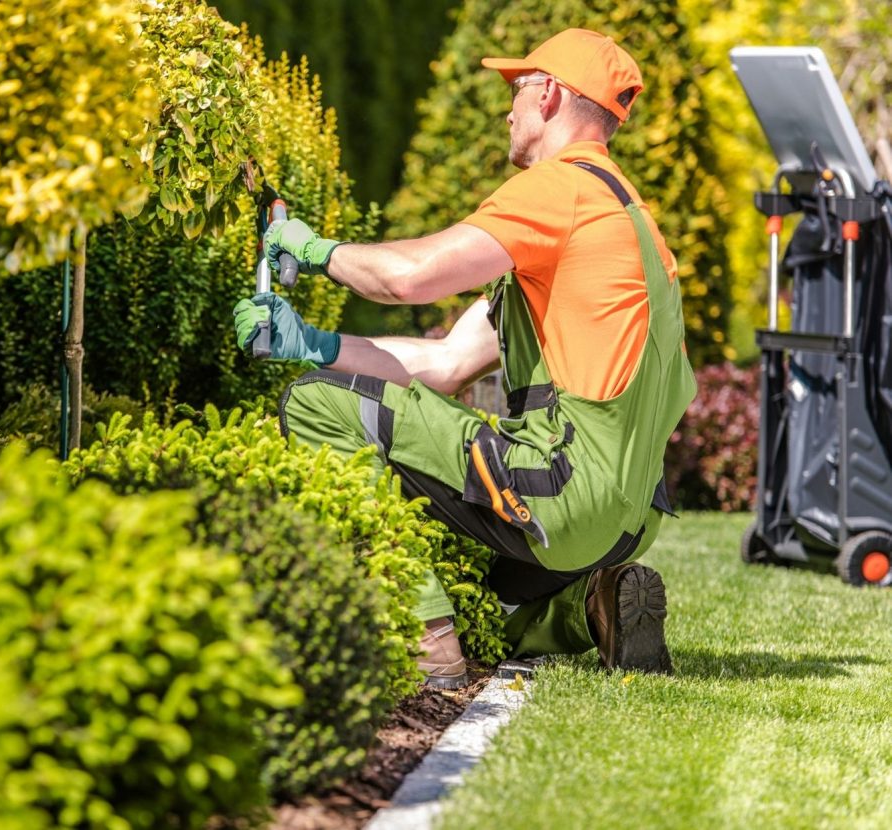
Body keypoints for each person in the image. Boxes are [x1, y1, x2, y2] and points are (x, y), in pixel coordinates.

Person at [233, 28, 696, 688]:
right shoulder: (626, 219)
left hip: (563, 492)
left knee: (312, 405)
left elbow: (409, 279)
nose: (507, 108)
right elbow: (447, 362)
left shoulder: (559, 189)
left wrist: (315, 250)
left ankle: (423, 641)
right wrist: (312, 344)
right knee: (478, 589)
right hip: (626, 519)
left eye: (516, 90)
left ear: (550, 95)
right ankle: (588, 608)